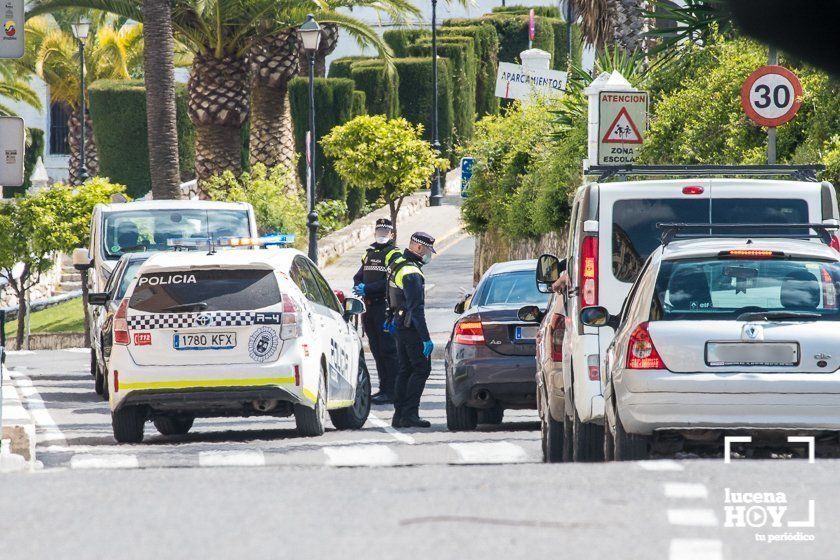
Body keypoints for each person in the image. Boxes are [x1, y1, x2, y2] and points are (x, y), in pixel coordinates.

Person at [386, 231, 436, 428]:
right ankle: (409, 414)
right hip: (410, 327)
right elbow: (416, 309)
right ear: (418, 247)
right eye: (427, 250)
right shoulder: (412, 272)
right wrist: (426, 338)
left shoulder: (397, 264)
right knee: (421, 369)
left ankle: (399, 415)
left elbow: (390, 296)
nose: (428, 255)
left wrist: (389, 318)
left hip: (398, 324)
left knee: (405, 370)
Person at [353, 218, 401, 405]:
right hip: (369, 307)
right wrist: (359, 286)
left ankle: (393, 390)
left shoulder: (393, 254)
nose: (382, 234)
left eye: (385, 231)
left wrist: (368, 288)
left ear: (392, 234)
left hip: (384, 306)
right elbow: (359, 275)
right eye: (379, 230)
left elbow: (390, 279)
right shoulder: (370, 253)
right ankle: (384, 387)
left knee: (388, 350)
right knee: (377, 350)